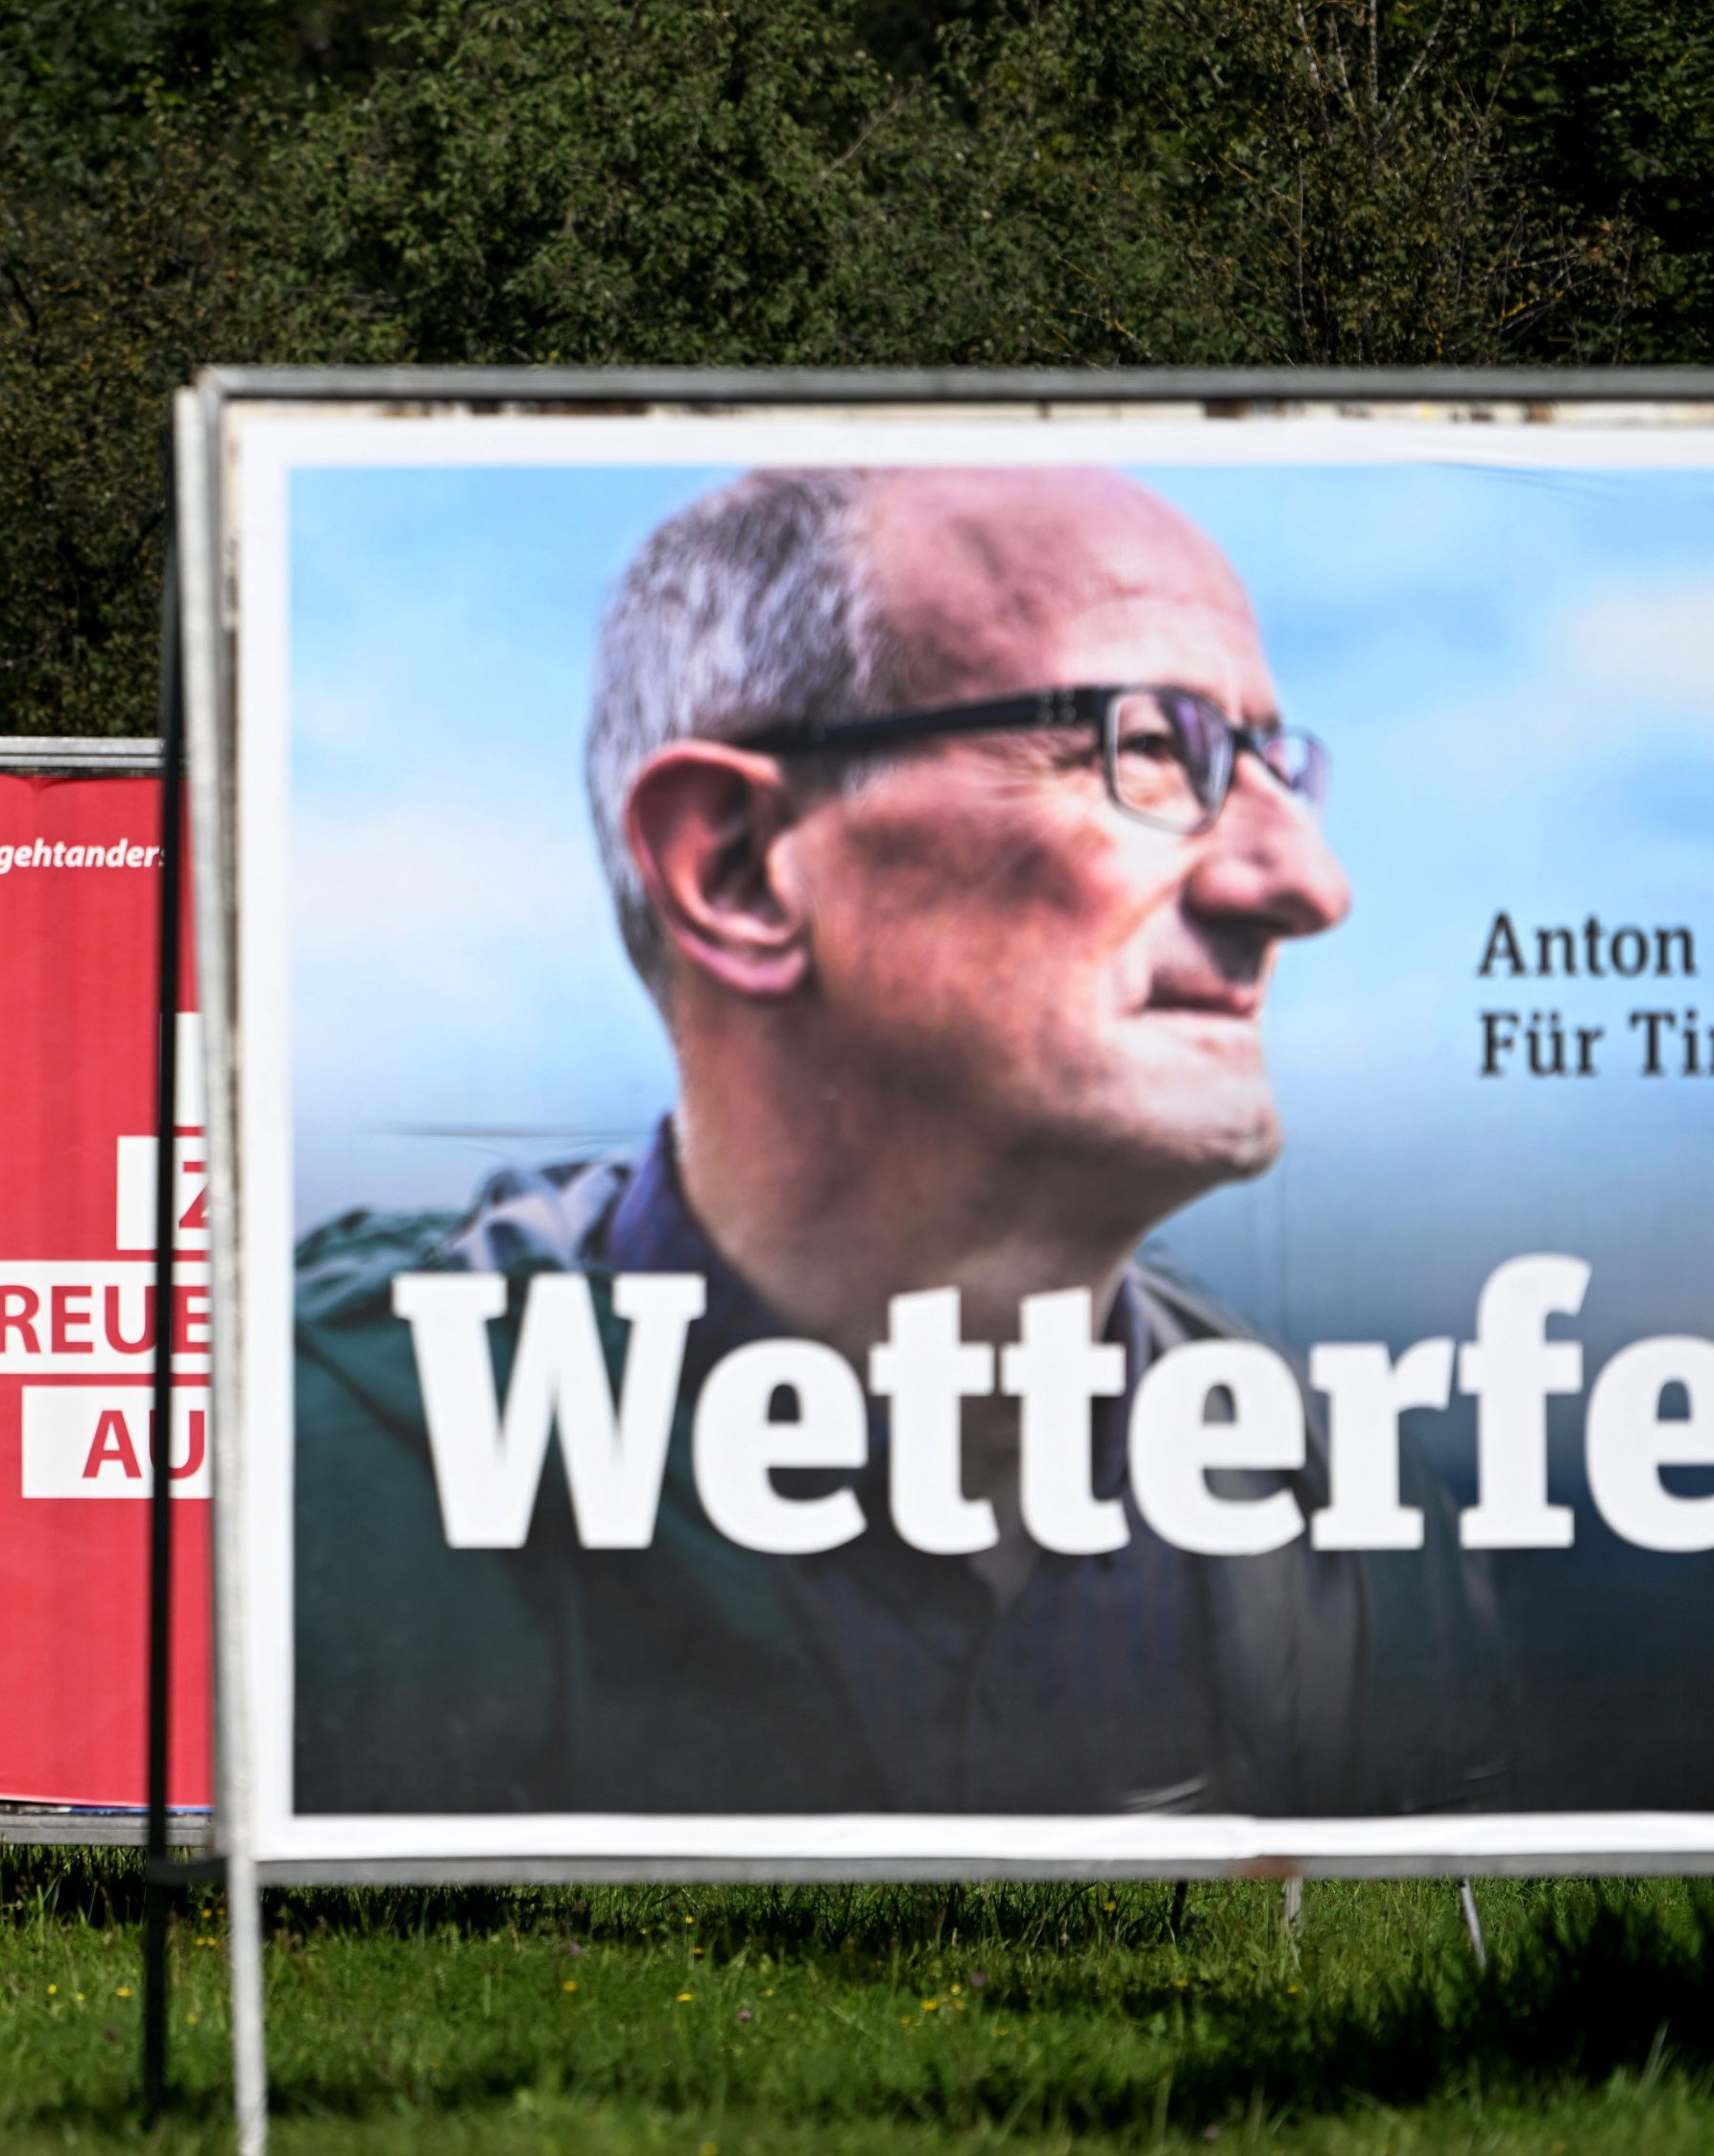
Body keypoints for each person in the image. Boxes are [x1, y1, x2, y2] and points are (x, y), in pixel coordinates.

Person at [293, 466, 1511, 1817]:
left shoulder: (1355, 1524)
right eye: (1149, 749)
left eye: (1277, 766)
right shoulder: (329, 1484)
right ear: (741, 868)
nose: (1301, 886)